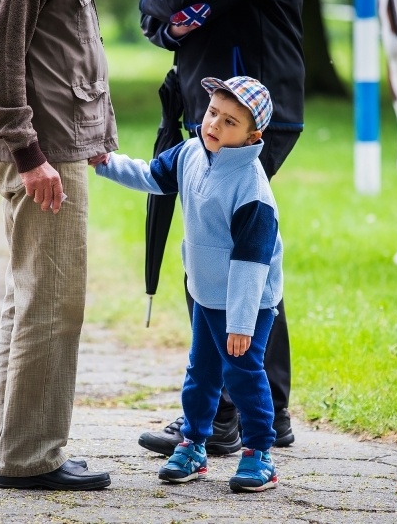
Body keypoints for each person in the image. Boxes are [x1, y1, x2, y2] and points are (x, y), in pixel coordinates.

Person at [0, 0, 117, 491]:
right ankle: (30, 458)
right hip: (43, 146)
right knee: (51, 301)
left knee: (29, 297)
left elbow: (64, 38)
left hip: (51, 137)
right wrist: (29, 153)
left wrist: (98, 131)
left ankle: (11, 447)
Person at [90, 76, 282, 493]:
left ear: (253, 134)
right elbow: (152, 176)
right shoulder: (192, 152)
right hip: (205, 292)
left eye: (230, 122)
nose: (214, 124)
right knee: (202, 371)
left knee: (243, 372)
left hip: (247, 304)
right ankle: (193, 445)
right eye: (213, 112)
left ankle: (259, 454)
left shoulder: (252, 189)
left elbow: (252, 264)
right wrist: (106, 163)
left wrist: (242, 324)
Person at [137, 0, 305, 455]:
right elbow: (153, 23)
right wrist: (165, 19)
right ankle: (270, 406)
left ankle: (223, 413)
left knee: (234, 250)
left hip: (250, 110)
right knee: (244, 249)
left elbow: (173, 0)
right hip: (215, 108)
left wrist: (165, 11)